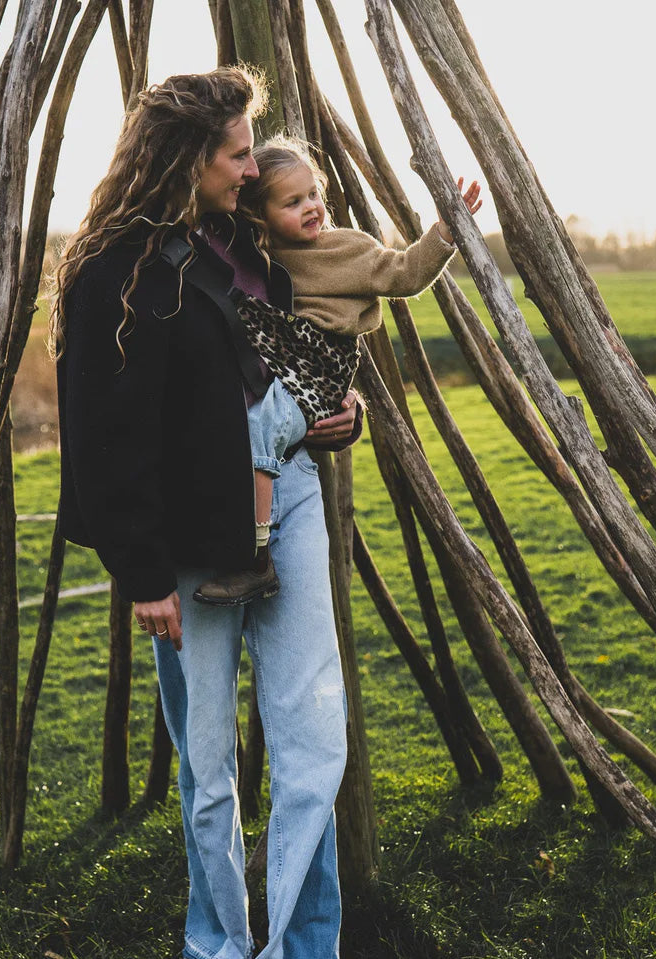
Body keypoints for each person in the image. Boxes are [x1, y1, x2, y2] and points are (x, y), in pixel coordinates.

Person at [51, 67, 361, 959]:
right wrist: (142, 573)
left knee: (313, 746)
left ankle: (302, 947)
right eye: (234, 155)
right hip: (186, 545)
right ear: (188, 158)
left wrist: (344, 413)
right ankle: (220, 943)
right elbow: (106, 436)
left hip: (289, 501)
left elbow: (307, 345)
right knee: (210, 768)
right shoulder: (115, 272)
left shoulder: (247, 243)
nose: (249, 172)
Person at [194, 138, 481, 606]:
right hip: (286, 359)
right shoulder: (261, 256)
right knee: (252, 422)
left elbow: (406, 273)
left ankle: (253, 556)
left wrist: (444, 233)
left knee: (258, 426)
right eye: (292, 202)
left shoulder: (350, 248)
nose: (310, 208)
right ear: (260, 215)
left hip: (323, 362)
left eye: (313, 194)